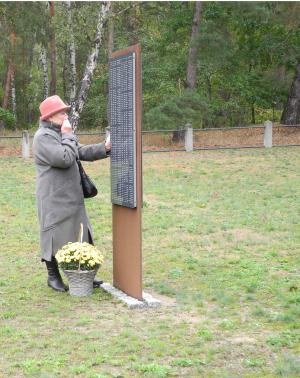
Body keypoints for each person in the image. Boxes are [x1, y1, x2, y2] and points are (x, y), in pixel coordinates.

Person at [32, 95, 111, 292]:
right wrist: (68, 135)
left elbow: (80, 151)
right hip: (53, 197)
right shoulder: (42, 137)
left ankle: (83, 274)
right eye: (62, 112)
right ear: (50, 117)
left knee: (81, 234)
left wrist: (104, 148)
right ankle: (53, 276)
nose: (66, 115)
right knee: (53, 236)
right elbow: (65, 158)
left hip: (71, 196)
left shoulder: (59, 133)